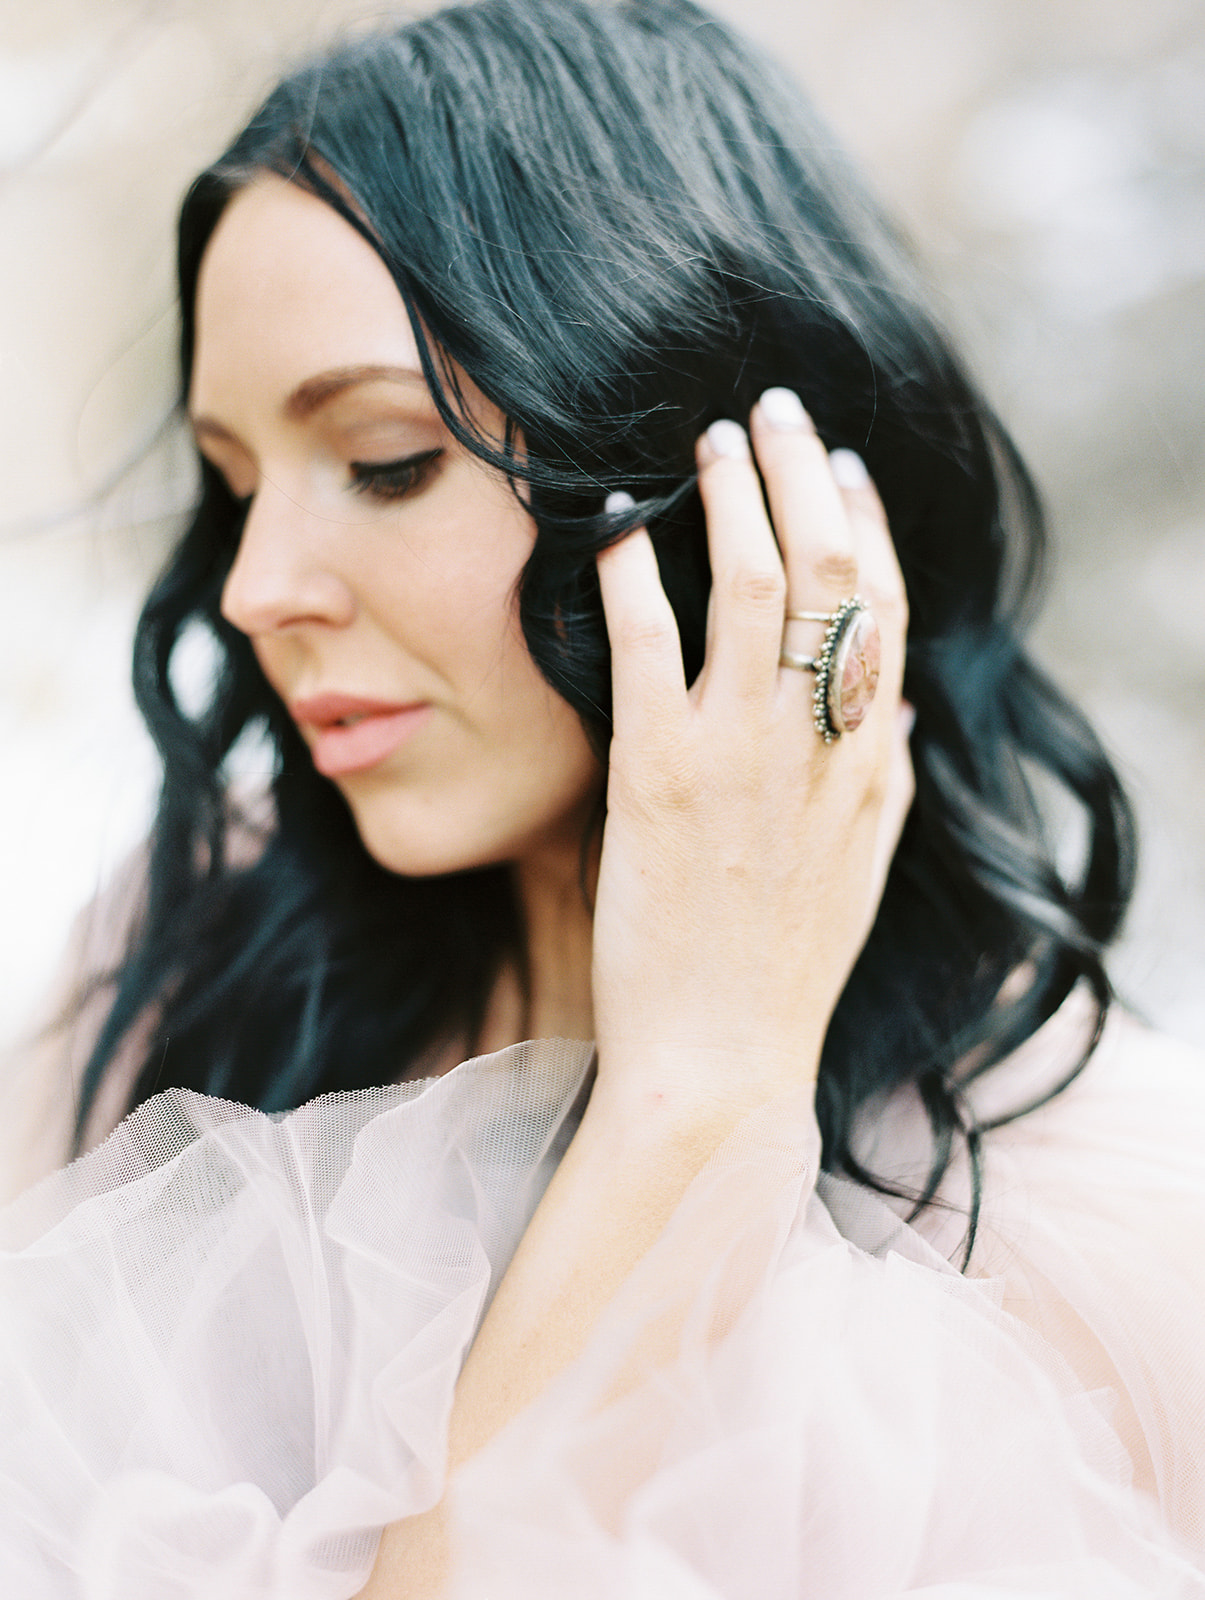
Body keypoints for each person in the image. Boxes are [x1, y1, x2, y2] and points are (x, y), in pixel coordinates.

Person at [1, 0, 1202, 1594]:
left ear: (734, 494)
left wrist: (700, 1087)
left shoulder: (1103, 1232)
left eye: (382, 459)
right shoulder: (177, 987)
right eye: (233, 490)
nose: (256, 588)